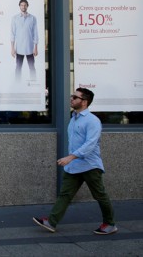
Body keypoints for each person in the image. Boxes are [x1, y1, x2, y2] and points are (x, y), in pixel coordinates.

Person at [33, 88, 118, 235]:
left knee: (100, 195)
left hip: (90, 166)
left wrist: (70, 157)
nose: (71, 99)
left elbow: (90, 144)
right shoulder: (73, 119)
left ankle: (110, 224)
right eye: (72, 96)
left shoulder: (92, 121)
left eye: (75, 97)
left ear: (84, 102)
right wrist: (71, 160)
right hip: (74, 166)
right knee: (65, 194)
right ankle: (51, 222)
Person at [10, 0, 38, 81]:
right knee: (18, 68)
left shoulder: (33, 18)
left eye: (25, 5)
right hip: (19, 49)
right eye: (21, 5)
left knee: (32, 67)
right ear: (19, 6)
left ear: (27, 6)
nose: (23, 7)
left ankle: (34, 83)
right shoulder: (14, 18)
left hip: (30, 48)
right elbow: (12, 34)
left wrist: (35, 48)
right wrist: (12, 48)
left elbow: (35, 33)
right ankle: (17, 84)